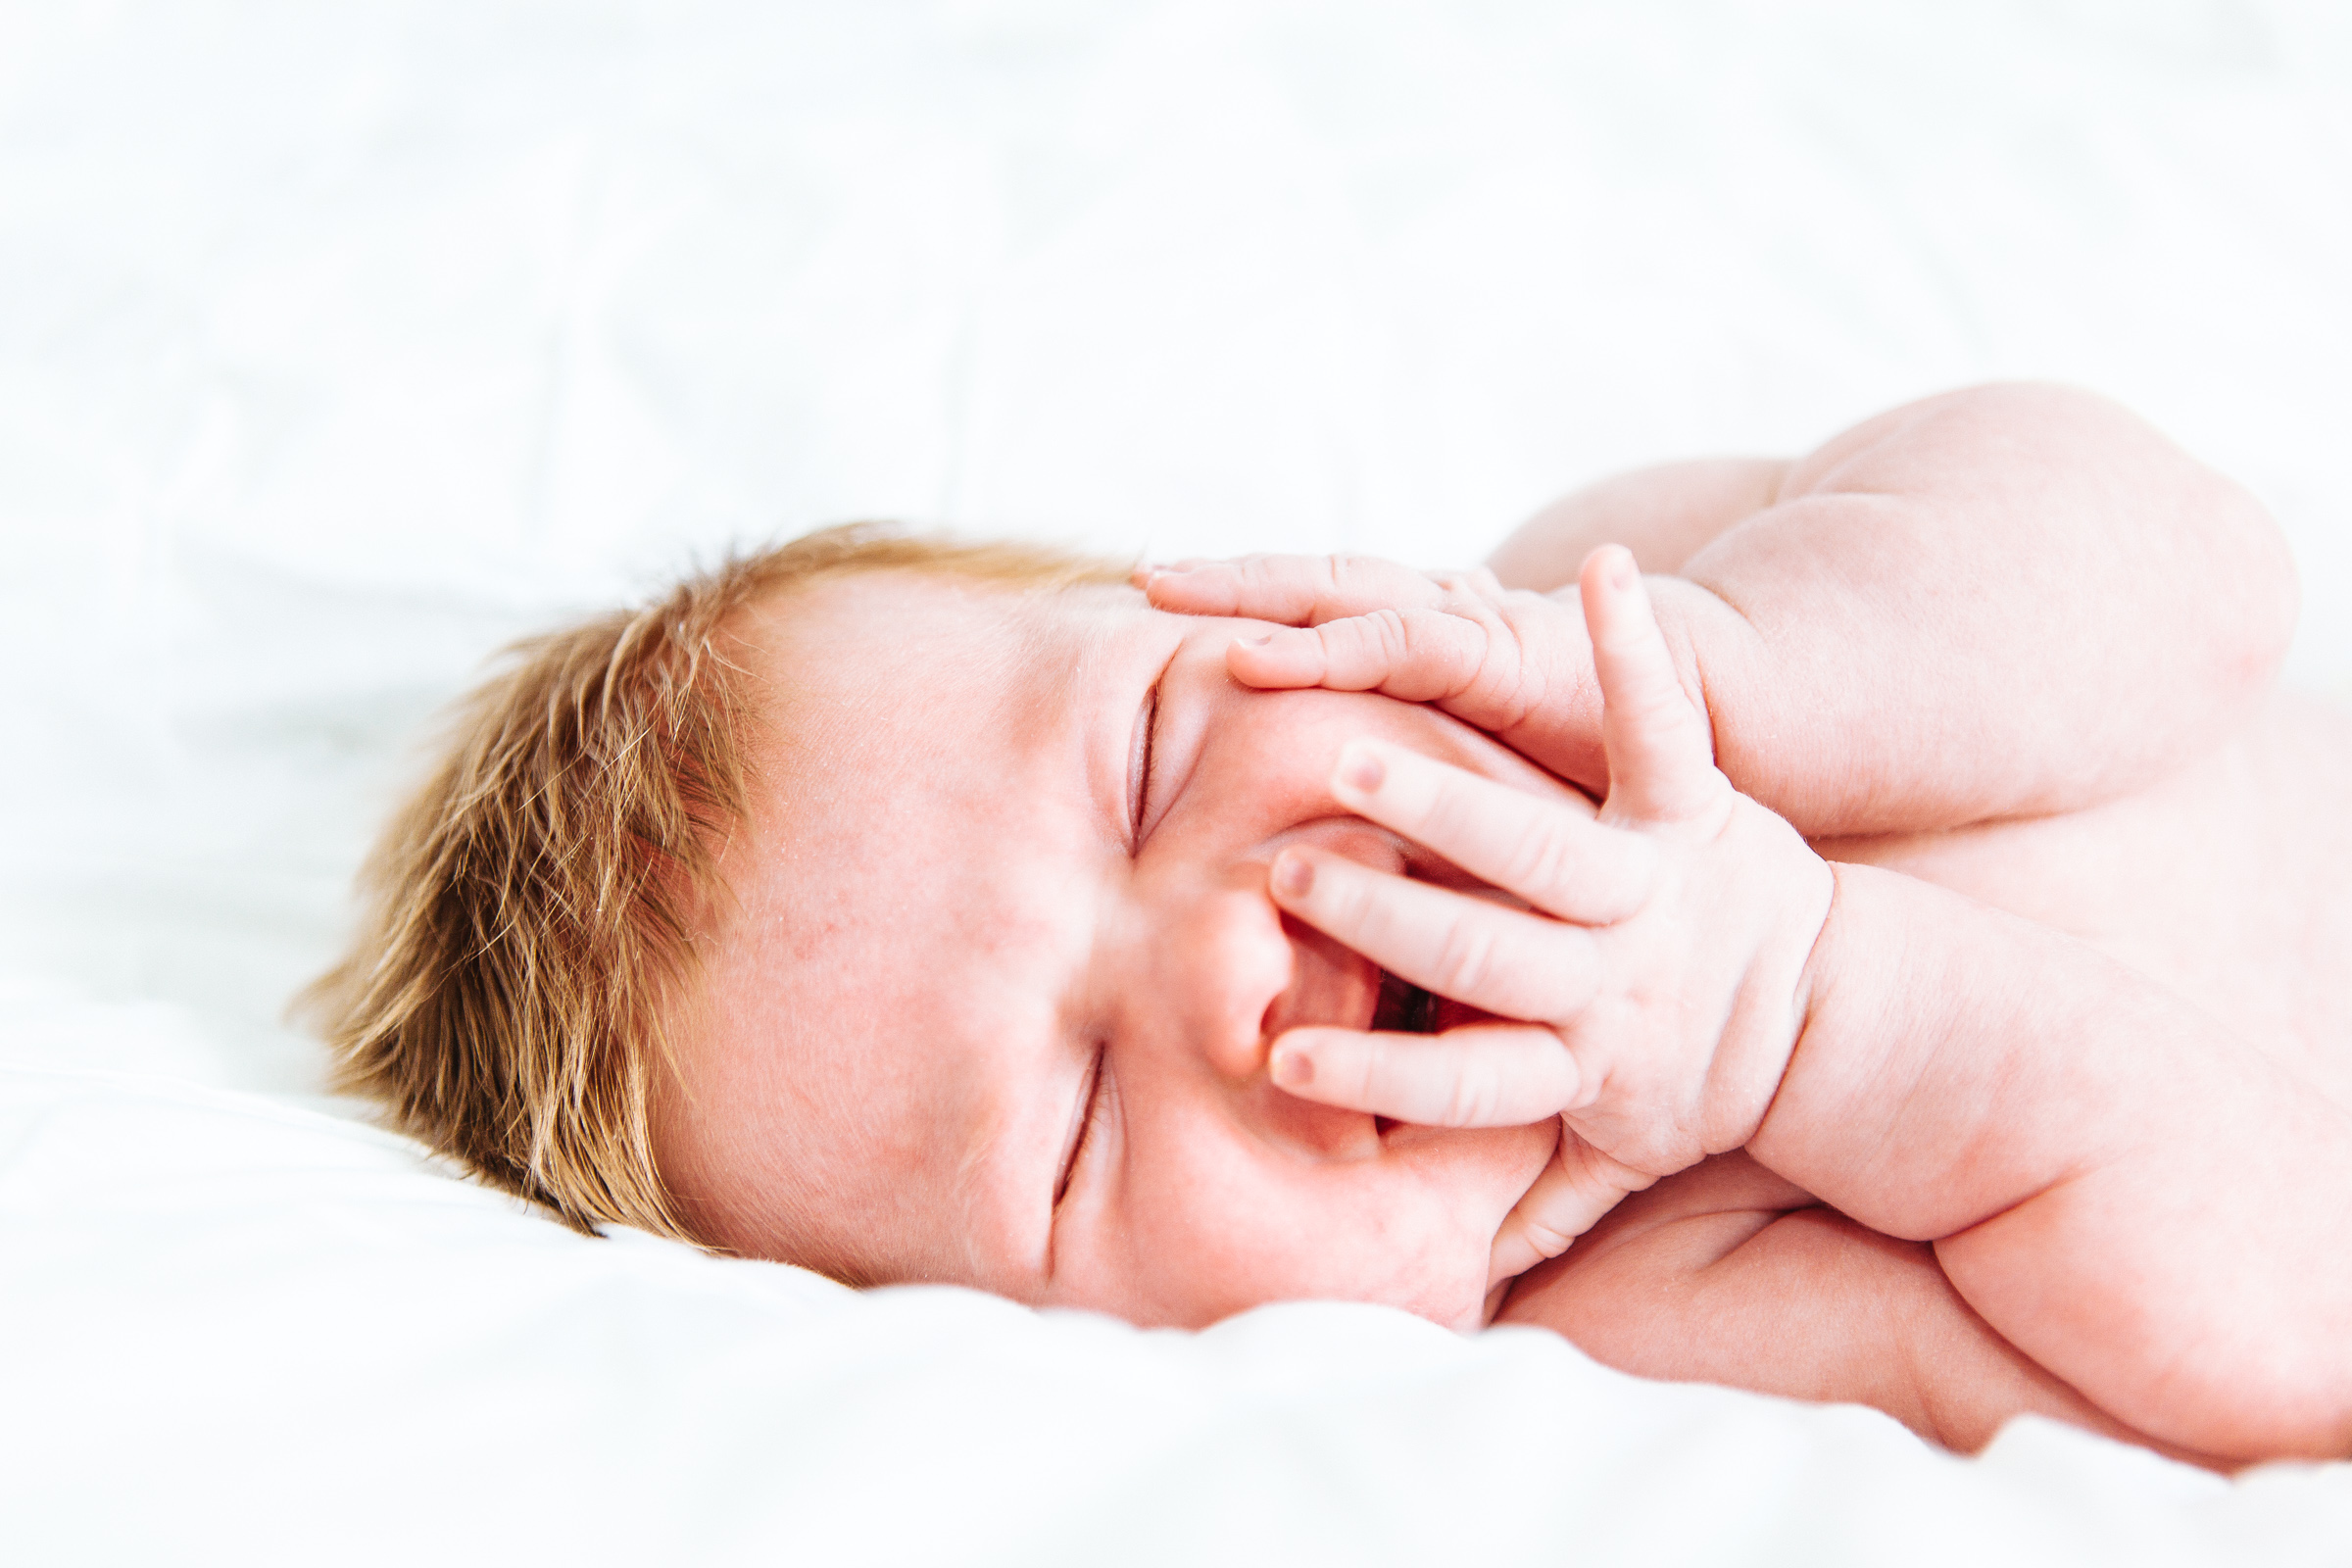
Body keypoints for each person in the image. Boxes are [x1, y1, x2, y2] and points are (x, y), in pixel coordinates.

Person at [304, 383, 2352, 1467]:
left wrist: (1741, 675)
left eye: (1140, 762)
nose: (1217, 952)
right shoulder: (1629, 1311)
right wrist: (1803, 1020)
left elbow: (2205, 567)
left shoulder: (1606, 602)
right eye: (1074, 1123)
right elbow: (2283, 1355)